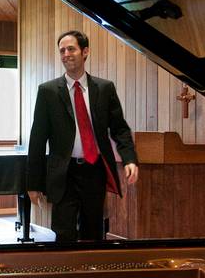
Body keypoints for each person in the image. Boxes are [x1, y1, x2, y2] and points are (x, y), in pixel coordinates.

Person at [27, 30, 138, 242]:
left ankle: (91, 274)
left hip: (93, 171)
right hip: (63, 173)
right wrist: (34, 183)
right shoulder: (48, 91)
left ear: (85, 52)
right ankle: (65, 274)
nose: (66, 54)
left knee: (93, 232)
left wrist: (129, 159)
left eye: (71, 49)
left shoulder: (105, 89)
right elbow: (37, 140)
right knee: (64, 233)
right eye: (62, 51)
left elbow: (119, 128)